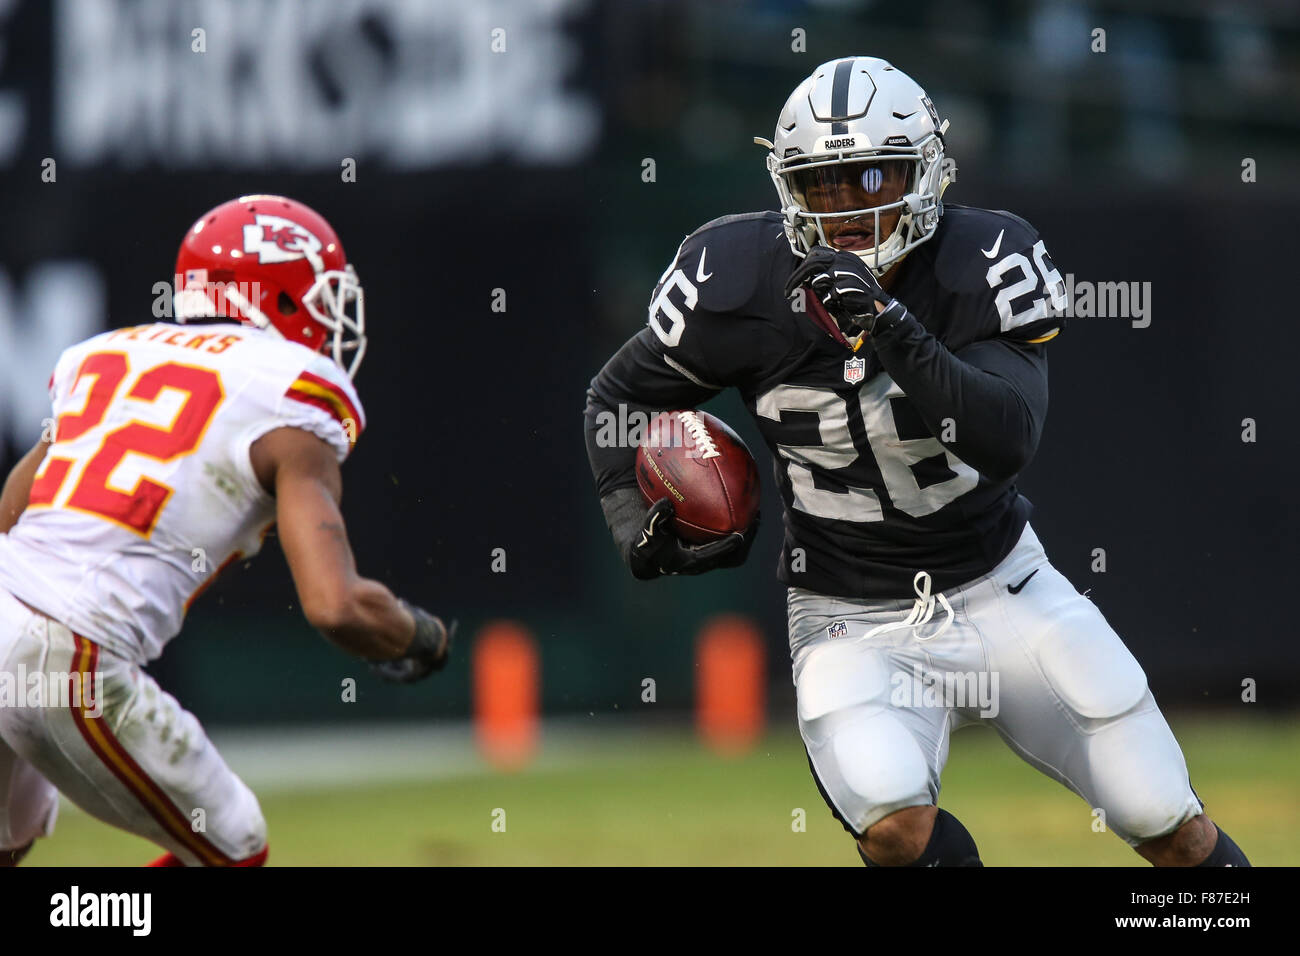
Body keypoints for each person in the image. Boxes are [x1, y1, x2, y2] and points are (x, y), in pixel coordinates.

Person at [583, 57, 1248, 866]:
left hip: (1005, 590)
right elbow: (616, 397)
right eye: (825, 185)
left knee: (1166, 819)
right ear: (788, 190)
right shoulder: (735, 276)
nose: (854, 209)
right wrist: (629, 517)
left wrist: (891, 326)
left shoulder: (984, 258)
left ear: (927, 169)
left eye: (874, 177)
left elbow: (1005, 440)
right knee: (894, 821)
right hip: (848, 615)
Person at [0, 195, 451, 866]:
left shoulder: (106, 354)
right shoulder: (294, 391)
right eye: (324, 298)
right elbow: (335, 604)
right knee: (234, 846)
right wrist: (422, 638)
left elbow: (12, 512)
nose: (333, 320)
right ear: (284, 298)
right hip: (66, 652)